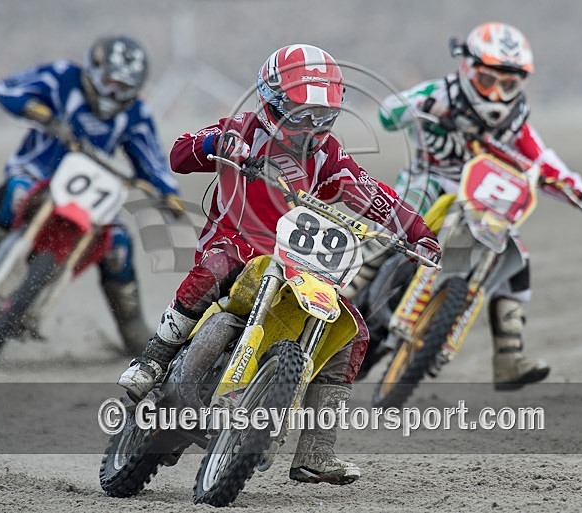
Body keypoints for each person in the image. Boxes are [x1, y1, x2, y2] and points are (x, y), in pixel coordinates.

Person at [118, 44, 441, 485]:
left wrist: (418, 232)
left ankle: (316, 452)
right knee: (218, 267)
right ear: (271, 100)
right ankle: (155, 357)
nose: (311, 125)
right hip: (235, 242)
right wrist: (215, 144)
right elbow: (179, 154)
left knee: (352, 330)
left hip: (297, 261)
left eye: (322, 114)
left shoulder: (328, 157)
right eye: (301, 112)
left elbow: (372, 193)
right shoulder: (241, 131)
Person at [376, 22, 582, 390]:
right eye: (487, 81)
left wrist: (580, 191)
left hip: (478, 196)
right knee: (391, 228)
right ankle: (346, 293)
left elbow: (542, 159)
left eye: (508, 85)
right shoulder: (442, 91)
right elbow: (388, 113)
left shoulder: (515, 120)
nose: (497, 94)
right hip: (428, 180)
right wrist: (425, 107)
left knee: (514, 254)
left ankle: (508, 357)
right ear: (467, 68)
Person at [0, 35, 185, 355]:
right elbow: (7, 90)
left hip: (92, 192)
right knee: (14, 194)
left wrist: (169, 194)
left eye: (125, 88)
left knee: (119, 244)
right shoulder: (61, 78)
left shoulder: (136, 113)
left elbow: (151, 160)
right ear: (94, 70)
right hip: (37, 174)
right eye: (110, 83)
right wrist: (38, 112)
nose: (114, 94)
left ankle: (132, 325)